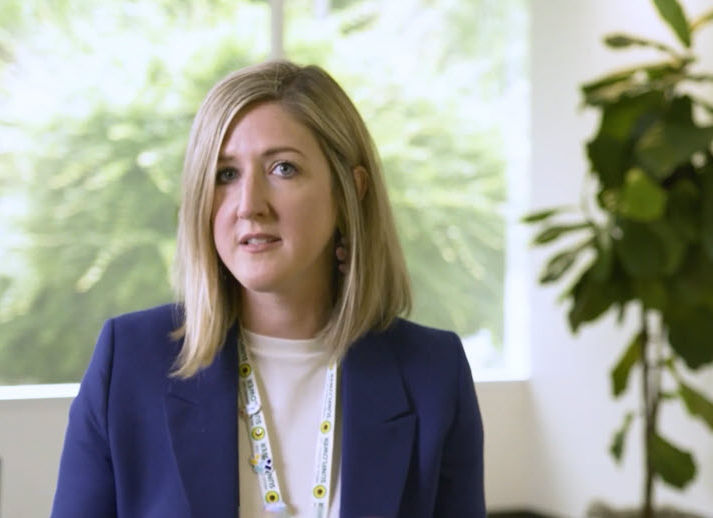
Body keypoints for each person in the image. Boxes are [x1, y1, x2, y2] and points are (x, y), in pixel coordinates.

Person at [51, 60, 485, 518]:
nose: (249, 205)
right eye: (225, 174)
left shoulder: (434, 374)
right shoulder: (129, 362)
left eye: (283, 168)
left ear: (349, 192)